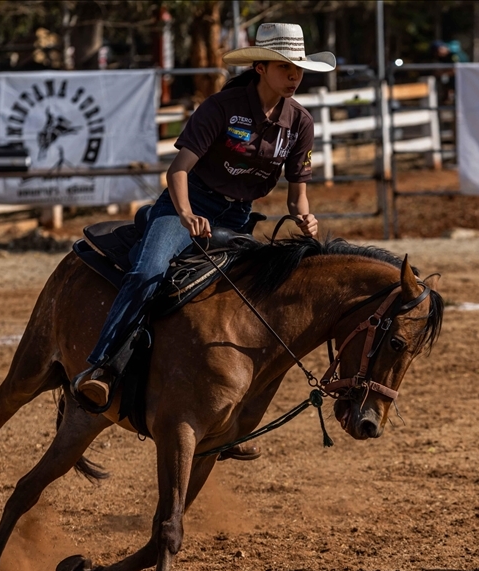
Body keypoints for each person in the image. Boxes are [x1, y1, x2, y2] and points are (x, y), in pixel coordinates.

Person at [74, 23, 332, 437]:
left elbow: (296, 196)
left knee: (258, 302)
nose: (294, 76)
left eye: (298, 69)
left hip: (239, 218)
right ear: (261, 67)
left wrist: (305, 216)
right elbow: (176, 171)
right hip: (186, 205)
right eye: (286, 67)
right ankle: (102, 366)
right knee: (147, 272)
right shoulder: (222, 108)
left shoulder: (299, 122)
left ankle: (231, 418)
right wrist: (187, 214)